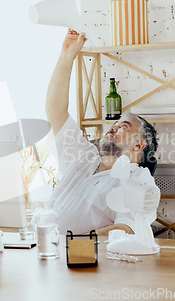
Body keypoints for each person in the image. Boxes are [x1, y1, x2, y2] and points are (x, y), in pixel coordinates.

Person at [46, 29, 159, 236]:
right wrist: (66, 57)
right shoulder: (84, 155)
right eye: (115, 124)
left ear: (139, 145)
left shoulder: (138, 180)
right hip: (44, 254)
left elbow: (126, 228)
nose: (113, 127)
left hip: (83, 262)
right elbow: (55, 111)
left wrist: (76, 249)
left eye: (124, 126)